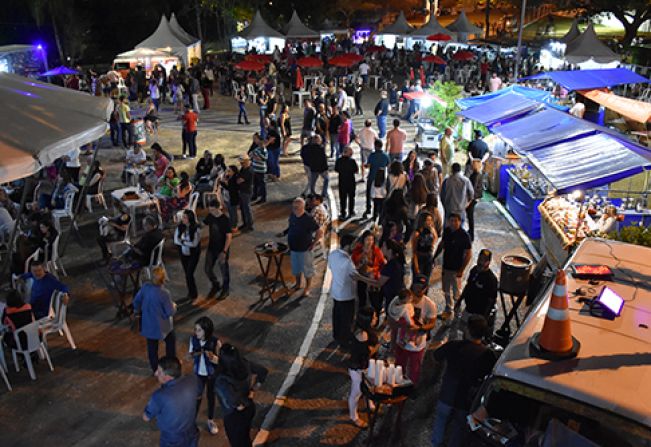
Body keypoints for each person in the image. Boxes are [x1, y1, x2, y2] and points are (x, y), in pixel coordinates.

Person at [430, 315, 497, 447]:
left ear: (467, 330)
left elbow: (435, 356)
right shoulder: (487, 355)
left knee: (440, 422)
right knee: (458, 429)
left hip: (447, 394)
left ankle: (436, 444)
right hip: (466, 400)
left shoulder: (454, 346)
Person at [213, 344, 268, 447]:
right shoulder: (244, 364)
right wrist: (253, 390)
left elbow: (236, 403)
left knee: (237, 442)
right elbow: (263, 371)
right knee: (245, 437)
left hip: (234, 416)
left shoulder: (222, 380)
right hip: (249, 408)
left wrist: (241, 404)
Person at [143, 356, 200, 447]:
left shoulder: (159, 396)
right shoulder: (192, 379)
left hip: (172, 439)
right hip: (192, 431)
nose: (156, 373)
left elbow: (146, 417)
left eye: (159, 371)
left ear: (167, 377)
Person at [393, 274, 437, 384]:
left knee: (414, 369)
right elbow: (392, 318)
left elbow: (432, 323)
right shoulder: (402, 299)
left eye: (422, 287)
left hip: (417, 345)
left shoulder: (429, 304)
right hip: (401, 342)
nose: (419, 290)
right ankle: (397, 386)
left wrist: (420, 328)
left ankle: (410, 389)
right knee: (398, 366)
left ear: (426, 288)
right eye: (417, 286)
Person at [133, 266, 177, 373]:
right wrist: (174, 306)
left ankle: (155, 368)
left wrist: (137, 311)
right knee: (170, 341)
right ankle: (170, 365)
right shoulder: (164, 293)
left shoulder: (145, 288)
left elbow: (136, 301)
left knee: (152, 347)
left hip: (148, 324)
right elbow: (169, 312)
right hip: (162, 326)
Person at [280, 198, 323, 298]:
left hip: (305, 249)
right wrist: (284, 233)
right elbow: (291, 226)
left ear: (303, 207)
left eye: (296, 207)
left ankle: (307, 287)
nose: (294, 208)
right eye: (293, 206)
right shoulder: (293, 215)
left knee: (307, 270)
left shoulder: (308, 219)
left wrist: (314, 243)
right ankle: (298, 284)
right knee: (296, 268)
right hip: (293, 248)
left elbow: (319, 231)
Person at [434, 213, 472, 320]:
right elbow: (442, 244)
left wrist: (462, 269)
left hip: (456, 269)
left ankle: (457, 312)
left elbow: (468, 254)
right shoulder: (447, 231)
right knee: (446, 289)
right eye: (451, 221)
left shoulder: (464, 236)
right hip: (446, 266)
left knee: (456, 292)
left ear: (460, 222)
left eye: (456, 221)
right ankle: (448, 309)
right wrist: (435, 257)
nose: (453, 223)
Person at [187, 317, 221, 436]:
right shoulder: (193, 339)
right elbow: (190, 355)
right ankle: (192, 421)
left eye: (199, 330)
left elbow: (220, 361)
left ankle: (210, 420)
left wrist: (213, 357)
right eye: (196, 329)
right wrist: (196, 353)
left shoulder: (215, 342)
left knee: (211, 397)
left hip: (211, 374)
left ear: (207, 330)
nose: (196, 333)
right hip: (198, 374)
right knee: (197, 397)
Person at [347, 306, 378, 429]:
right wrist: (376, 347)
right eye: (374, 317)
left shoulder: (362, 329)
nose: (376, 318)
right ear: (368, 320)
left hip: (365, 366)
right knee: (356, 392)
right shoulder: (362, 334)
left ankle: (369, 403)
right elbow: (368, 352)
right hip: (359, 368)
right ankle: (353, 417)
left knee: (369, 384)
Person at [328, 233, 358, 344]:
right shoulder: (347, 262)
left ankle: (336, 335)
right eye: (353, 245)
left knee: (337, 316)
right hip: (347, 294)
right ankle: (344, 340)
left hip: (336, 292)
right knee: (346, 319)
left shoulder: (333, 254)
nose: (354, 247)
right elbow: (355, 275)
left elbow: (332, 267)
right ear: (347, 246)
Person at [459, 249, 498, 326]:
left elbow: (492, 300)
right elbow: (468, 286)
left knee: (473, 334)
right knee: (463, 329)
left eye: (484, 260)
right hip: (468, 309)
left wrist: (484, 318)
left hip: (479, 315)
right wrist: (459, 301)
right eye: (480, 258)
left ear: (489, 262)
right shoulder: (474, 270)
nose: (480, 262)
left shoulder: (491, 279)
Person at [203, 199, 232, 300]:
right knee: (207, 269)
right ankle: (216, 284)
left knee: (224, 271)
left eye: (213, 210)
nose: (211, 212)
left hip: (221, 249)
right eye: (210, 210)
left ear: (218, 208)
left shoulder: (225, 219)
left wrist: (224, 251)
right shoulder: (210, 216)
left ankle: (226, 289)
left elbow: (229, 236)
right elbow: (205, 223)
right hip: (212, 247)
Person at [352, 230, 386, 311]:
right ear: (363, 240)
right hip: (361, 276)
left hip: (373, 277)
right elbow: (352, 263)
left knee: (374, 298)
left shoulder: (376, 250)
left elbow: (382, 264)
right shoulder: (357, 250)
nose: (369, 242)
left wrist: (373, 269)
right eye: (367, 240)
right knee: (361, 295)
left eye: (371, 240)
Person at [174, 210, 202, 302]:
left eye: (185, 217)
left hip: (193, 254)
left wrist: (182, 242)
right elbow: (176, 240)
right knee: (187, 274)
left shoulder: (196, 228)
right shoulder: (180, 227)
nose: (183, 219)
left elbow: (194, 243)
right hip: (183, 254)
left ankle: (193, 293)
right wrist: (185, 243)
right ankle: (191, 292)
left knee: (189, 273)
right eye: (183, 217)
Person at [363, 139, 390, 219]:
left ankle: (368, 209)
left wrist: (365, 166)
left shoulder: (372, 155)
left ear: (375, 146)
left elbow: (368, 165)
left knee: (369, 194)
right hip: (382, 179)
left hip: (372, 177)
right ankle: (379, 211)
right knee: (380, 196)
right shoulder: (386, 156)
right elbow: (388, 166)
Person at [411, 212, 439, 281]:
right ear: (422, 221)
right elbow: (414, 250)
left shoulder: (431, 230)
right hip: (419, 256)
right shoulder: (417, 233)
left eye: (431, 220)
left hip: (429, 256)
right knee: (418, 281)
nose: (429, 222)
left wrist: (432, 245)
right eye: (427, 220)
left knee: (426, 280)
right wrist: (416, 266)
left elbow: (436, 238)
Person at [334, 145, 359, 220]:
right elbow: (356, 171)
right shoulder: (352, 161)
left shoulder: (338, 160)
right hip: (351, 181)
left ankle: (343, 212)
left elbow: (336, 169)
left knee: (342, 198)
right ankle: (351, 212)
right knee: (351, 197)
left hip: (342, 181)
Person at [237, 154, 254, 232]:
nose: (241, 164)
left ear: (247, 161)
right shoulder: (243, 169)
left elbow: (239, 180)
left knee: (247, 209)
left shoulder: (249, 171)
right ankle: (245, 223)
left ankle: (249, 225)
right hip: (242, 191)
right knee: (243, 209)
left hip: (246, 192)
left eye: (242, 162)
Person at [467, 160, 483, 241]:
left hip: (473, 198)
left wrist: (469, 200)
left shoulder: (475, 175)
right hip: (475, 197)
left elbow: (473, 188)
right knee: (470, 215)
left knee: (470, 216)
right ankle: (470, 232)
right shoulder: (477, 174)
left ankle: (471, 234)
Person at [249, 133, 268, 205]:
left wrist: (256, 156)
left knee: (262, 184)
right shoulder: (256, 148)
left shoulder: (263, 150)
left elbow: (264, 158)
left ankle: (263, 198)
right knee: (255, 183)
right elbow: (250, 155)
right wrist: (253, 156)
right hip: (255, 168)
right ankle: (255, 195)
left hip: (261, 169)